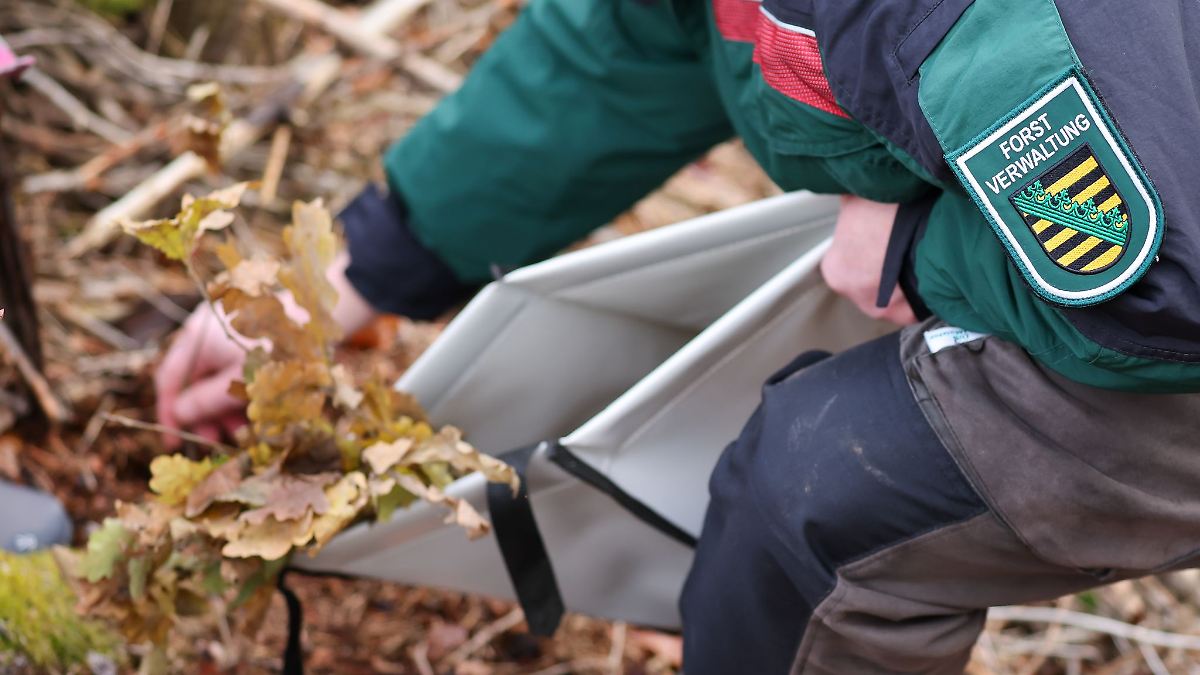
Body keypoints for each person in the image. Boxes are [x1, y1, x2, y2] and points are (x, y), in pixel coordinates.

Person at [156, 0, 1200, 672]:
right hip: (1148, 215)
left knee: (817, 501)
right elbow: (626, 44)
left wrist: (916, 249)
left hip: (1162, 300)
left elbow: (1158, 287)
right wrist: (366, 267)